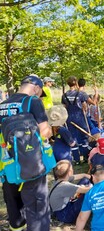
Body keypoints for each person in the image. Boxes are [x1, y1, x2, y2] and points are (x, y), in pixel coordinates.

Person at [0, 75, 52, 231]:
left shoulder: (2, 104)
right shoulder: (32, 101)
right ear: (36, 88)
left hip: (7, 163)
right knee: (37, 204)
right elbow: (44, 133)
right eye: (39, 93)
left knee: (13, 202)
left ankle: (17, 227)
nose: (39, 96)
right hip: (30, 161)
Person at [61, 76, 88, 164]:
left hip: (69, 119)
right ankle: (85, 157)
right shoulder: (81, 94)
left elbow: (64, 108)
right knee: (84, 137)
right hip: (80, 117)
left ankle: (76, 159)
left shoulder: (64, 95)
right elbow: (84, 106)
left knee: (73, 138)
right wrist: (85, 110)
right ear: (76, 83)